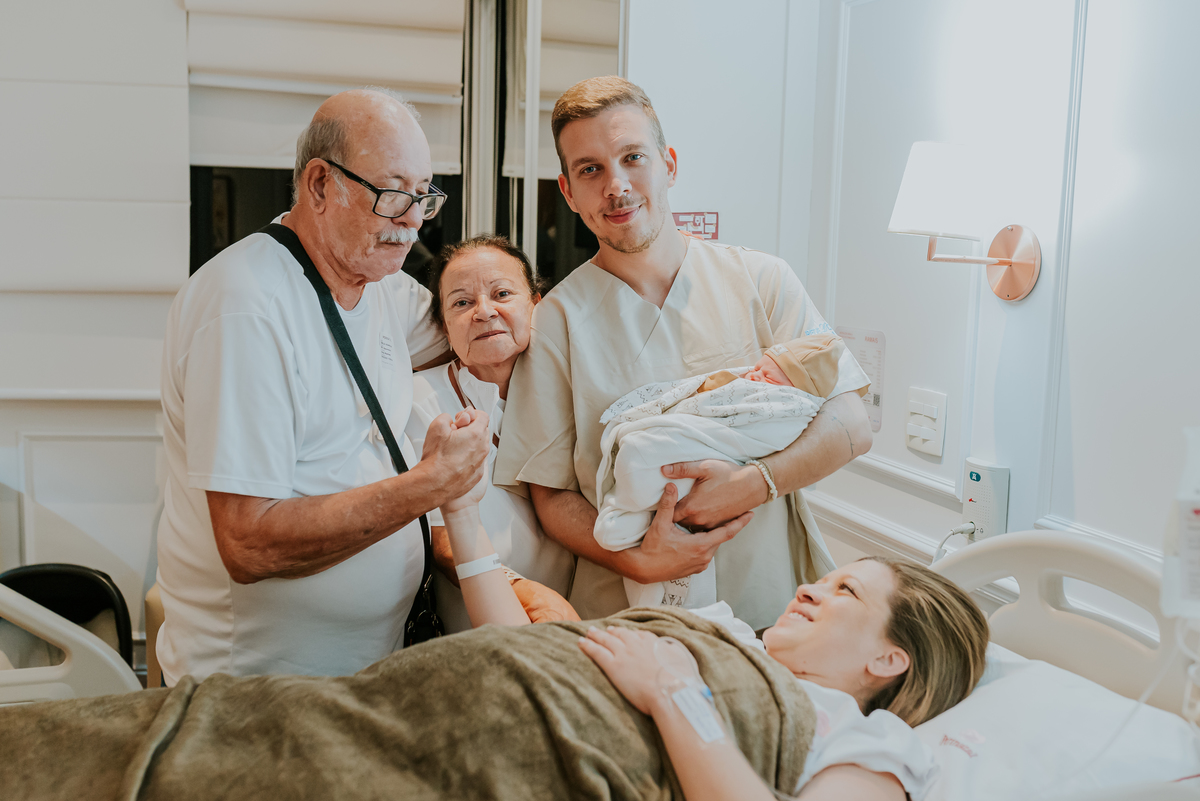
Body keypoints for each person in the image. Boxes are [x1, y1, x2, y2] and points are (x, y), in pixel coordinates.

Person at [0, 552, 989, 801]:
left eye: (846, 592)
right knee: (215, 726)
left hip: (512, 749)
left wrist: (672, 696)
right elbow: (591, 642)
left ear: (890, 656)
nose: (813, 587)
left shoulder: (867, 740)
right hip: (422, 702)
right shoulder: (721, 624)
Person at [494, 76, 873, 630]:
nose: (616, 186)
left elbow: (853, 424)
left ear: (668, 164)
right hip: (628, 614)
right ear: (569, 192)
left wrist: (753, 483)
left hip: (771, 603)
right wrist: (637, 558)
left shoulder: (761, 280)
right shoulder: (557, 321)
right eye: (591, 169)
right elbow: (550, 497)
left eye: (632, 157)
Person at [154, 87, 495, 683]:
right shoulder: (245, 305)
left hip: (366, 669)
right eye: (393, 195)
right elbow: (249, 543)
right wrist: (432, 484)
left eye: (423, 197)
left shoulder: (379, 281)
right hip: (260, 692)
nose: (413, 220)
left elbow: (475, 333)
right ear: (320, 185)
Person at [595, 335, 859, 609]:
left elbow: (854, 429)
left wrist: (752, 481)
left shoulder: (791, 407)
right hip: (671, 468)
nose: (754, 377)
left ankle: (625, 516)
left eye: (768, 377)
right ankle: (626, 514)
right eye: (757, 368)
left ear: (793, 391)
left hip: (748, 555)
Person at [406, 236, 578, 632]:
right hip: (477, 633)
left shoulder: (574, 389)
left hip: (582, 620)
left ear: (537, 305)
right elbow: (440, 538)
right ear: (445, 327)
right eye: (461, 303)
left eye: (502, 293)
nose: (484, 312)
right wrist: (528, 595)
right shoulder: (421, 401)